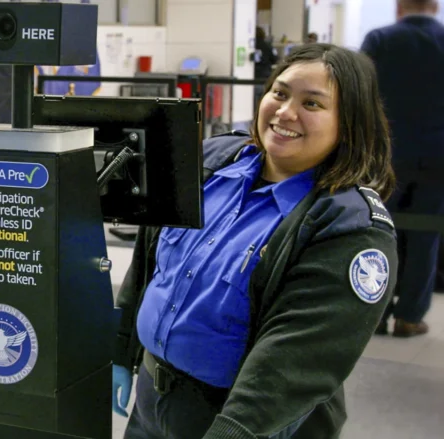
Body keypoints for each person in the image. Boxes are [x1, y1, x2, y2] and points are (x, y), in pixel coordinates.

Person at [112, 43, 398, 438]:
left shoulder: (348, 226)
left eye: (312, 104)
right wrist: (120, 349)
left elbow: (295, 358)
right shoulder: (212, 161)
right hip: (152, 402)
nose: (285, 112)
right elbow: (148, 263)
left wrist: (234, 432)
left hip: (240, 420)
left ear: (348, 124)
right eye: (279, 93)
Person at [361, 0, 444, 337]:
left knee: (377, 231)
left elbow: (359, 94)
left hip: (386, 155)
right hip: (439, 158)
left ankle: (374, 313)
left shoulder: (379, 39)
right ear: (435, 7)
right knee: (426, 235)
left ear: (399, 7)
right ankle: (410, 316)